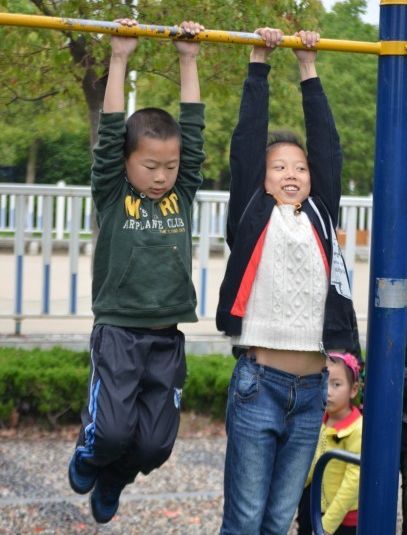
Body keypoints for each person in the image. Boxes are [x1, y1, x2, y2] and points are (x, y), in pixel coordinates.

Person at [216, 27, 361, 534]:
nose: (292, 172)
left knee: (280, 520)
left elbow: (328, 149)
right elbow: (245, 144)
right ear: (263, 176)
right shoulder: (253, 214)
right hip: (260, 386)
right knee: (247, 517)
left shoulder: (320, 216)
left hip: (312, 391)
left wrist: (308, 68)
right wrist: (259, 61)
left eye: (299, 166)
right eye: (279, 166)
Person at [67, 18, 206, 524]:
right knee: (111, 432)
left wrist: (188, 59)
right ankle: (91, 454)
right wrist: (118, 57)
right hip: (120, 334)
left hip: (166, 337)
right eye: (150, 166)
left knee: (155, 446)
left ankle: (115, 478)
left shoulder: (181, 192)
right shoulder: (112, 192)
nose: (161, 176)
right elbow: (108, 137)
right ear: (127, 163)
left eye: (169, 167)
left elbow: (191, 130)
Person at [297, 352, 362, 535]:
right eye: (323, 382)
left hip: (343, 519)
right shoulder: (321, 420)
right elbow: (311, 464)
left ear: (353, 389)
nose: (328, 391)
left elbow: (352, 481)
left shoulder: (356, 429)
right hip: (317, 509)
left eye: (336, 384)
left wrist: (326, 525)